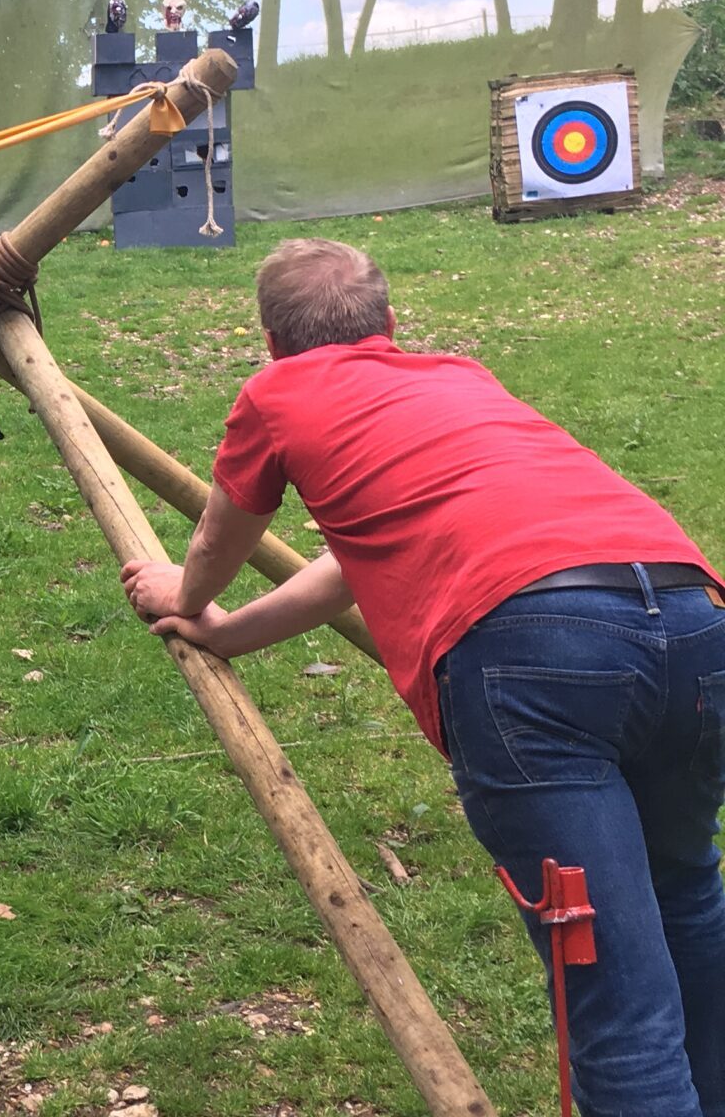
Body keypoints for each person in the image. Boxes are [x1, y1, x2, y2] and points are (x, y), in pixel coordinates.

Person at [121, 237, 725, 1117]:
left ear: (271, 339)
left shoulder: (278, 393)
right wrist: (232, 634)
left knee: (614, 995)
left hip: (534, 656)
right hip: (693, 620)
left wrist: (187, 591)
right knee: (688, 897)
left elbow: (223, 533)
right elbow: (347, 564)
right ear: (390, 324)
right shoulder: (458, 378)